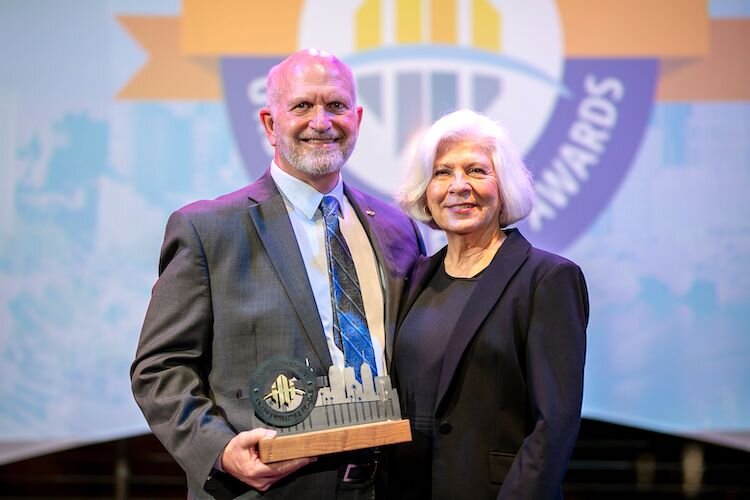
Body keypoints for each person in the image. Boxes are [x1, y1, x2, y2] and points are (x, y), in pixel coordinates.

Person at [130, 49, 424, 499]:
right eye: (302, 106)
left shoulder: (396, 227)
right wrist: (221, 450)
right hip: (266, 488)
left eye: (336, 106)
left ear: (358, 118)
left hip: (388, 483)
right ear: (270, 123)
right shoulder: (208, 229)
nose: (321, 121)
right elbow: (160, 369)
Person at [388, 109, 589, 499]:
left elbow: (555, 422)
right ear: (425, 191)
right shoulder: (415, 276)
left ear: (505, 187)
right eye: (442, 172)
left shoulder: (547, 279)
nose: (458, 186)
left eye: (477, 171)